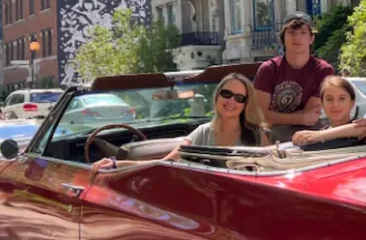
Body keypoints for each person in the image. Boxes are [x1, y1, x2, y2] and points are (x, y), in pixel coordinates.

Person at [91, 74, 267, 173]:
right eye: (227, 94)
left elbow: (274, 171)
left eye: (239, 98)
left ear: (246, 104)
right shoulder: (202, 133)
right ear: (217, 96)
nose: (231, 102)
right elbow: (164, 163)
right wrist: (117, 164)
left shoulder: (257, 134)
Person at [254, 12, 335, 137]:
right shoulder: (268, 69)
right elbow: (260, 114)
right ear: (283, 37)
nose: (297, 37)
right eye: (291, 32)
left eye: (303, 33)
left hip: (310, 134)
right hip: (272, 135)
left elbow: (311, 115)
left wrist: (275, 117)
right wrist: (301, 118)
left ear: (311, 38)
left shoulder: (323, 70)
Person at [292, 76, 366, 146]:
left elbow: (363, 128)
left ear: (352, 103)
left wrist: (319, 135)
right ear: (322, 103)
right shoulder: (315, 138)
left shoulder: (361, 128)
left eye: (342, 99)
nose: (335, 105)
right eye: (329, 99)